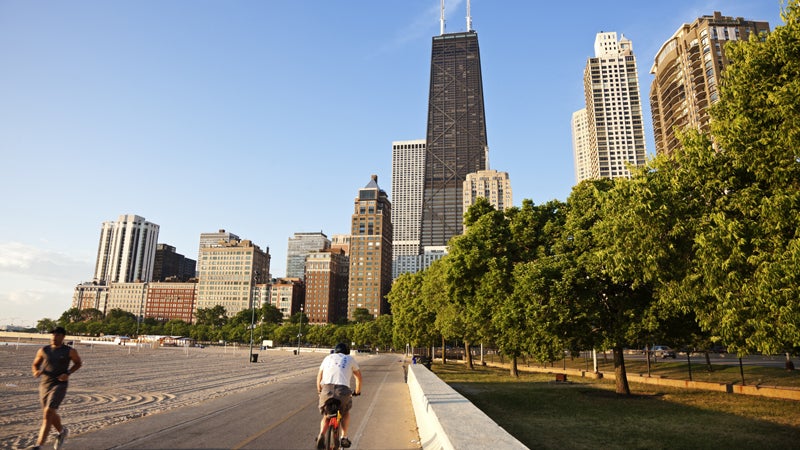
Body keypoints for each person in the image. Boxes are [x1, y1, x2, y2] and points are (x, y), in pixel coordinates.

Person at [31, 326, 82, 450]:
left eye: (57, 335)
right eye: (53, 334)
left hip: (60, 384)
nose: (54, 337)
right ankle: (62, 431)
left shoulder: (70, 351)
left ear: (63, 337)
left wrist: (68, 373)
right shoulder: (43, 350)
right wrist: (36, 371)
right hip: (45, 384)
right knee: (49, 413)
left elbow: (78, 363)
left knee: (48, 412)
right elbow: (35, 364)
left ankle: (39, 445)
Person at [316, 342, 362, 449]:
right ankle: (344, 437)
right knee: (345, 412)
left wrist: (319, 391)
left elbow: (319, 376)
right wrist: (357, 391)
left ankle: (321, 434)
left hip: (326, 389)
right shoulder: (349, 359)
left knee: (326, 415)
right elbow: (358, 377)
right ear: (347, 352)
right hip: (343, 391)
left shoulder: (327, 358)